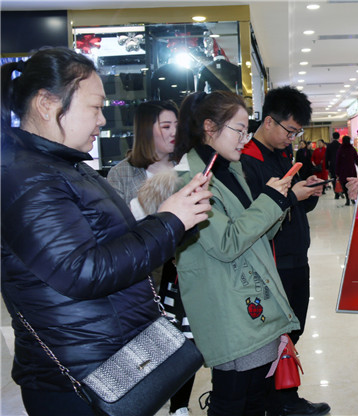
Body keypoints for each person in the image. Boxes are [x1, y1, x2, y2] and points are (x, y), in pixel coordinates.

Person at [0, 47, 212, 415]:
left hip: (112, 359)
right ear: (47, 104)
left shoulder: (68, 168)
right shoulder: (26, 178)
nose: (102, 119)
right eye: (95, 107)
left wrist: (179, 219)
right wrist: (169, 221)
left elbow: (117, 244)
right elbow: (83, 270)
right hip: (79, 381)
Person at [172, 90, 301, 416]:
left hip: (253, 299)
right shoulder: (189, 179)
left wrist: (277, 201)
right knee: (233, 398)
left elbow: (257, 234)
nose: (245, 139)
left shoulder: (229, 169)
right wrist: (270, 201)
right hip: (229, 306)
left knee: (255, 396)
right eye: (239, 130)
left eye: (246, 131)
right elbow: (226, 244)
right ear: (209, 127)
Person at [240, 86, 330, 416]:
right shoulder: (245, 162)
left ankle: (283, 398)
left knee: (293, 329)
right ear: (268, 121)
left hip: (296, 255)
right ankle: (280, 402)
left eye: (297, 133)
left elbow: (293, 206)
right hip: (272, 261)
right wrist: (292, 196)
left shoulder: (280, 155)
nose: (292, 138)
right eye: (289, 131)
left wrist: (308, 193)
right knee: (277, 334)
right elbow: (255, 215)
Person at [106, 100, 196, 416]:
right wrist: (154, 193)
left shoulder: (187, 165)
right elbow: (116, 231)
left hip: (181, 270)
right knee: (142, 350)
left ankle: (180, 407)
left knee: (183, 341)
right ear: (146, 130)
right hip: (140, 278)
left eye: (176, 126)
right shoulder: (121, 173)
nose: (173, 133)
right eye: (165, 126)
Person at [335, 135, 358, 206]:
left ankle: (347, 200)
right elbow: (357, 159)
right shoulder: (352, 149)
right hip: (351, 171)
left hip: (343, 171)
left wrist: (337, 172)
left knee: (345, 186)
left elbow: (337, 162)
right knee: (352, 185)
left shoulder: (340, 150)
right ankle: (352, 198)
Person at [326, 131, 341, 199]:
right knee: (340, 178)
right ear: (339, 137)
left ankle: (336, 193)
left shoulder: (329, 146)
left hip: (332, 165)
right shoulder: (340, 145)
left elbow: (327, 157)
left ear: (332, 137)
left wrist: (327, 166)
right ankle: (341, 190)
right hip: (340, 165)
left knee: (333, 179)